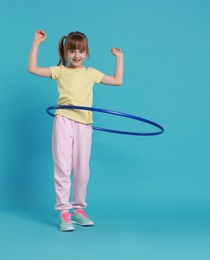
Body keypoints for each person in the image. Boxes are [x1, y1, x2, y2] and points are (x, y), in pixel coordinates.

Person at [28, 30, 124, 231]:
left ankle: (78, 210)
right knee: (63, 167)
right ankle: (64, 212)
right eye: (72, 51)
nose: (77, 55)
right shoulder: (60, 71)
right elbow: (33, 68)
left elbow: (117, 80)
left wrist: (119, 58)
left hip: (84, 124)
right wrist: (36, 43)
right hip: (63, 120)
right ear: (65, 53)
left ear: (86, 52)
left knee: (82, 169)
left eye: (80, 51)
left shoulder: (91, 73)